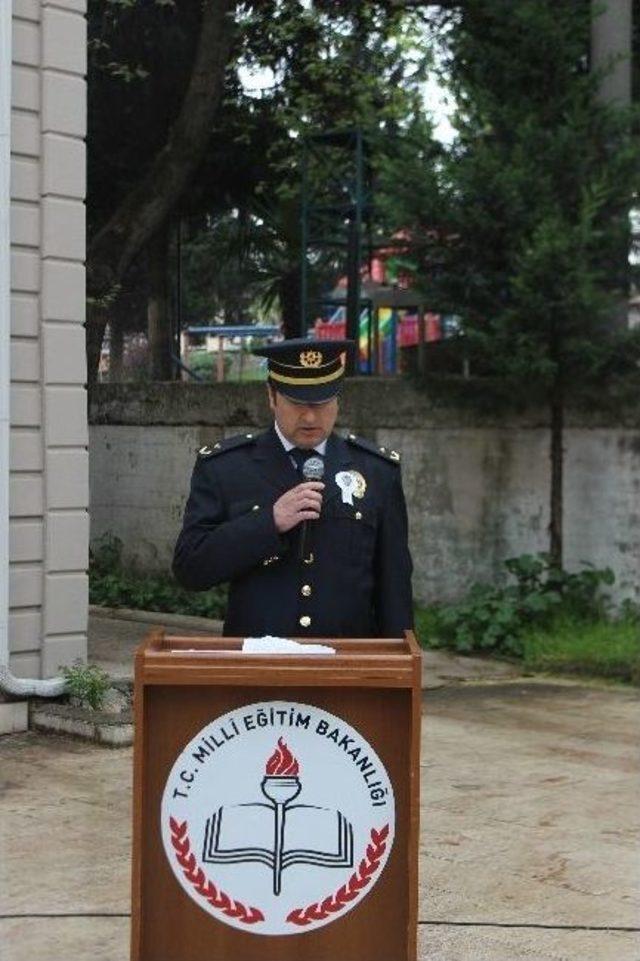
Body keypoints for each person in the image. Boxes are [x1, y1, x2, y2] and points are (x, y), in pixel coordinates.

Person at [172, 338, 413, 638]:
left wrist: (397, 672)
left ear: (338, 398)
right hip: (258, 668)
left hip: (347, 667)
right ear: (272, 396)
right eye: (297, 403)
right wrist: (268, 522)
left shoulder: (377, 471)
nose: (311, 417)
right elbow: (190, 569)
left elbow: (394, 589)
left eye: (322, 402)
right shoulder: (225, 468)